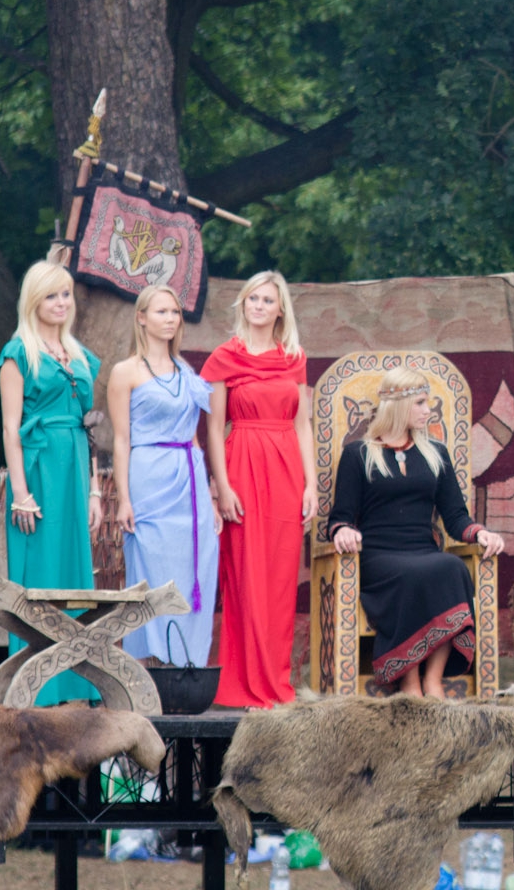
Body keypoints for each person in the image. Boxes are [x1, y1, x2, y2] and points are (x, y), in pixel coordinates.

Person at [327, 367, 508, 697]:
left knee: (450, 566)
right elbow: (340, 517)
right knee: (414, 574)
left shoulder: (435, 453)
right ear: (399, 406)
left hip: (421, 549)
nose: (428, 410)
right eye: (421, 403)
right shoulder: (359, 454)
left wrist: (479, 533)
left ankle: (432, 680)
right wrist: (342, 531)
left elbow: (455, 516)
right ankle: (408, 682)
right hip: (378, 557)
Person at [202, 271, 315, 708]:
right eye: (253, 298)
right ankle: (242, 684)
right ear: (242, 304)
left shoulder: (294, 358)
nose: (259, 306)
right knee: (246, 577)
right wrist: (222, 487)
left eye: (268, 300)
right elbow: (213, 429)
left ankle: (275, 683)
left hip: (286, 469)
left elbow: (303, 424)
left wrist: (310, 486)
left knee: (282, 577)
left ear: (280, 308)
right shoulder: (224, 358)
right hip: (242, 465)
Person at [0, 261, 102, 704]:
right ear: (34, 300)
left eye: (66, 295)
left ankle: (76, 689)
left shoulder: (79, 355)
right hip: (39, 474)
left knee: (75, 577)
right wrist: (21, 495)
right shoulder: (18, 353)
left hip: (76, 469)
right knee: (39, 580)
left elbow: (90, 427)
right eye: (52, 295)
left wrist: (96, 489)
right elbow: (10, 428)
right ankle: (37, 692)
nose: (61, 303)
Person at [108, 284, 220, 665]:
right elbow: (121, 440)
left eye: (175, 312)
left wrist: (209, 492)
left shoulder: (186, 371)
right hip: (149, 474)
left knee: (195, 568)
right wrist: (123, 498)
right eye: (161, 312)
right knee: (153, 567)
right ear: (141, 317)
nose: (171, 319)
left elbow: (194, 437)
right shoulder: (126, 371)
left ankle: (187, 667)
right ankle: (152, 665)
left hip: (188, 476)